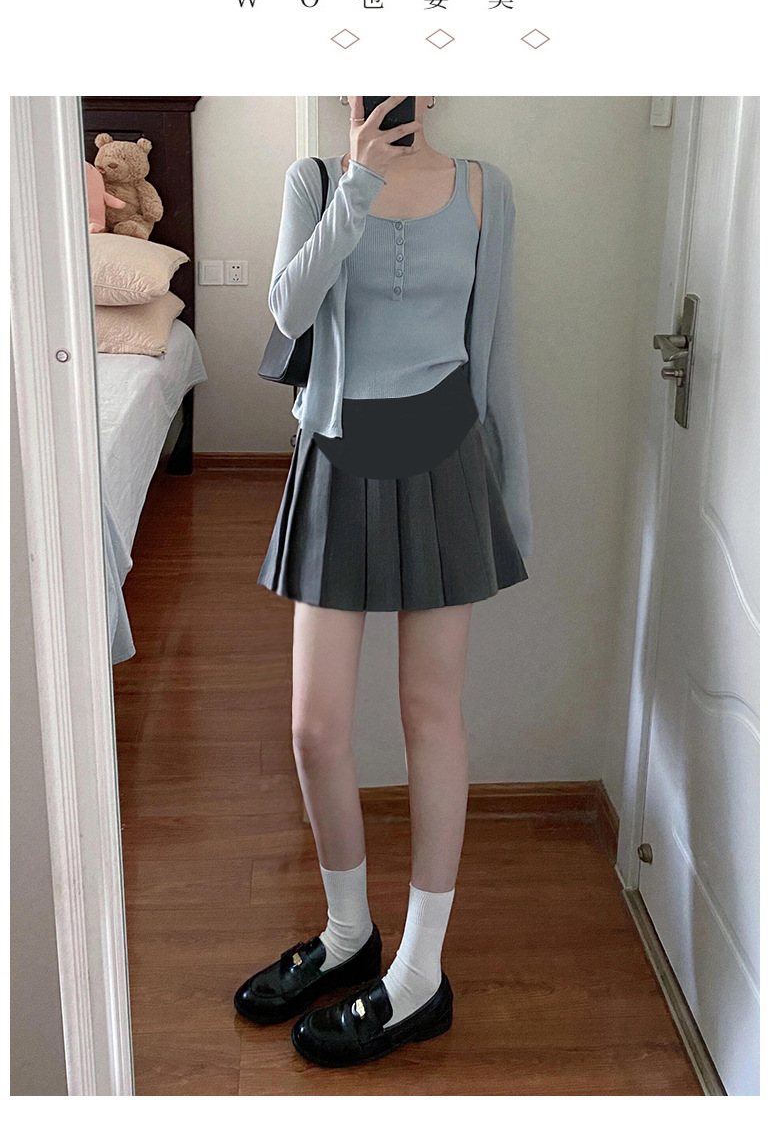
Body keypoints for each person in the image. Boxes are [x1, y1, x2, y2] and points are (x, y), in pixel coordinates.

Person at [234, 96, 533, 1067]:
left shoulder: (485, 191)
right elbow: (287, 311)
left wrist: (511, 503)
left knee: (429, 715)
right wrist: (357, 183)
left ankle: (417, 974)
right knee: (314, 727)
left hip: (446, 461)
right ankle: (347, 931)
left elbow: (492, 354)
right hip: (336, 454)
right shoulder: (317, 181)